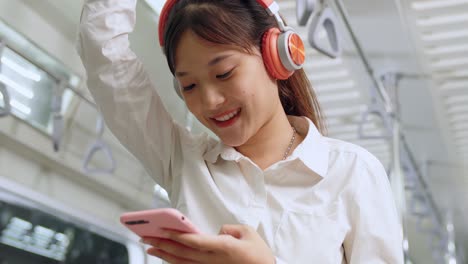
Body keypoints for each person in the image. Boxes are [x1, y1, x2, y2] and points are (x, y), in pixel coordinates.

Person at [77, 0, 404, 263]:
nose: (209, 101)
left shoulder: (352, 173)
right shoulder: (183, 161)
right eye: (189, 85)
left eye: (224, 73)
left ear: (276, 58)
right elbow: (102, 51)